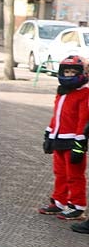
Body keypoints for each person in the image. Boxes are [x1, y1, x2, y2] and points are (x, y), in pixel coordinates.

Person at [39, 55, 89, 221]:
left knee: (74, 175)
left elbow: (83, 119)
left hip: (74, 141)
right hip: (58, 139)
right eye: (66, 71)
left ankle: (77, 205)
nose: (68, 75)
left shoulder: (84, 93)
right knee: (59, 173)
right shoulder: (62, 93)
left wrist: (80, 143)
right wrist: (49, 134)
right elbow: (56, 116)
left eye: (72, 72)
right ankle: (59, 201)